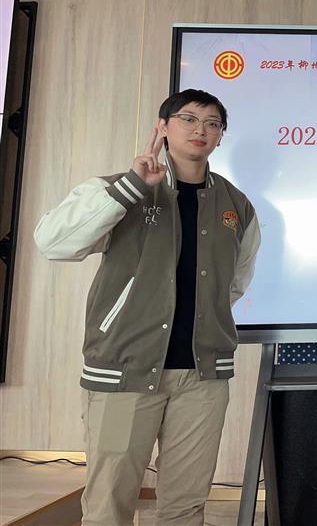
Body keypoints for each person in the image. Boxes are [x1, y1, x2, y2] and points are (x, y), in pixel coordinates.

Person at [34, 89, 261, 526]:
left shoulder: (237, 205)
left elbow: (235, 282)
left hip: (202, 378)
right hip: (124, 371)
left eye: (212, 123)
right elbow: (55, 243)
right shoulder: (119, 188)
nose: (200, 130)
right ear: (163, 127)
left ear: (220, 136)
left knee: (186, 506)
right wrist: (131, 186)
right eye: (188, 119)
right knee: (109, 504)